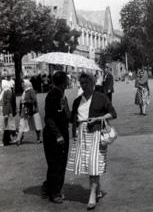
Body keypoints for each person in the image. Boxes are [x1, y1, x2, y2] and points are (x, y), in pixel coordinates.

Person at [67, 72, 117, 210]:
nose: (84, 86)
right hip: (82, 135)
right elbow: (73, 119)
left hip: (96, 134)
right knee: (90, 165)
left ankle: (92, 195)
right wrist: (74, 134)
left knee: (94, 163)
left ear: (93, 83)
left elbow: (113, 113)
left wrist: (99, 118)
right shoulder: (77, 100)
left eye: (86, 83)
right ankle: (97, 189)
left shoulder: (101, 97)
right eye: (82, 83)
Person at [42, 71, 70, 204]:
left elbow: (68, 116)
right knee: (57, 164)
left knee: (55, 163)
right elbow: (48, 118)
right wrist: (58, 135)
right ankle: (55, 193)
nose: (68, 82)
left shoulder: (62, 96)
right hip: (54, 135)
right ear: (64, 82)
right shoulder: (53, 95)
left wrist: (65, 107)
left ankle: (48, 188)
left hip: (61, 133)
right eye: (67, 79)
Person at [15, 79, 42, 145]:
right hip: (25, 111)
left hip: (33, 110)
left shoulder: (31, 91)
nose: (22, 85)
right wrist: (20, 109)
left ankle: (39, 138)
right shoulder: (24, 91)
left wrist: (26, 101)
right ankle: (18, 139)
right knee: (22, 124)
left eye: (23, 84)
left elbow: (34, 100)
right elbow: (21, 102)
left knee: (36, 125)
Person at [1, 79, 17, 145]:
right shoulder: (7, 91)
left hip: (7, 111)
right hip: (7, 111)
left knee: (9, 126)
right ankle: (13, 138)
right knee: (9, 126)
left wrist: (6, 113)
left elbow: (7, 103)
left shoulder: (7, 91)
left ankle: (17, 137)